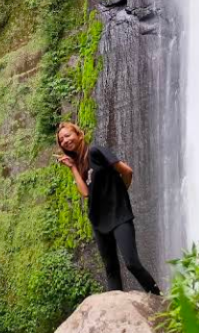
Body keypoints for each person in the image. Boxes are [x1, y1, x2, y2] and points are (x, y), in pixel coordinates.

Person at [55, 122, 161, 295]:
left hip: (119, 215)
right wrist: (73, 167)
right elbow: (85, 192)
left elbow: (127, 171)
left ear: (79, 134)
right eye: (61, 140)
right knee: (110, 269)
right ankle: (115, 306)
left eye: (68, 135)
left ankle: (159, 299)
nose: (65, 141)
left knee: (131, 262)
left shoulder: (96, 151)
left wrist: (119, 195)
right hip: (98, 220)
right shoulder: (80, 163)